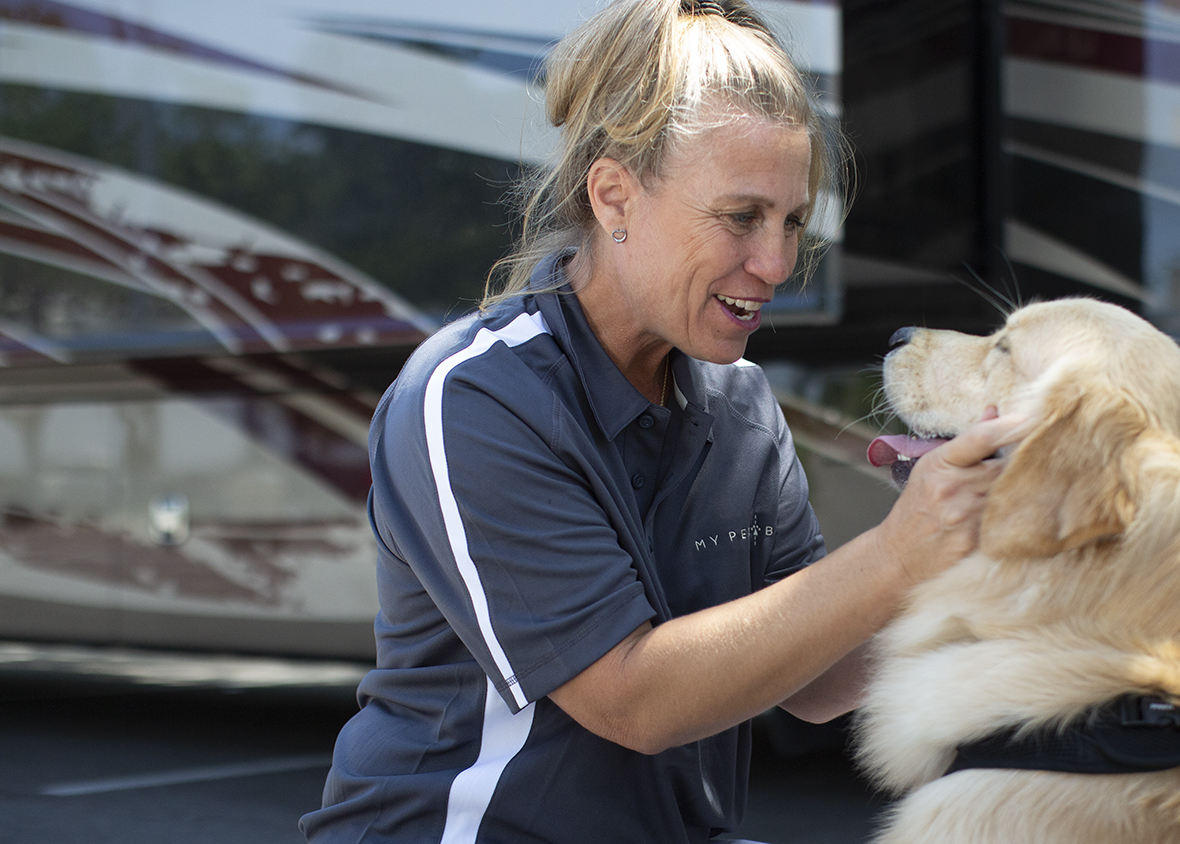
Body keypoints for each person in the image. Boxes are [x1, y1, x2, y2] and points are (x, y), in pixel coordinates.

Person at [300, 1, 1019, 842]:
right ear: (614, 197)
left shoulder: (742, 405)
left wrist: (995, 541)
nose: (778, 263)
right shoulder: (472, 397)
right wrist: (902, 550)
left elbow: (817, 685)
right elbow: (634, 701)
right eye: (741, 217)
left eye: (792, 222)